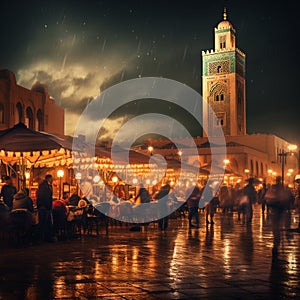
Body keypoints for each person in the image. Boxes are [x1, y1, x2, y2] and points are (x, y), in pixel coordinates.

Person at [266, 176, 294, 257]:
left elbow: (266, 197)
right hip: (281, 208)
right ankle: (278, 239)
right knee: (279, 224)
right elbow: (289, 197)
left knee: (275, 225)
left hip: (274, 208)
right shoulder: (283, 188)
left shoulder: (273, 188)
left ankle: (276, 239)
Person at [36, 174, 54, 242]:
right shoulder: (45, 186)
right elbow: (45, 197)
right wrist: (46, 205)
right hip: (45, 207)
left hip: (45, 206)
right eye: (51, 179)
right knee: (44, 222)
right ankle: (43, 237)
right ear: (49, 179)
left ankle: (43, 237)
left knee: (44, 222)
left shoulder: (45, 186)